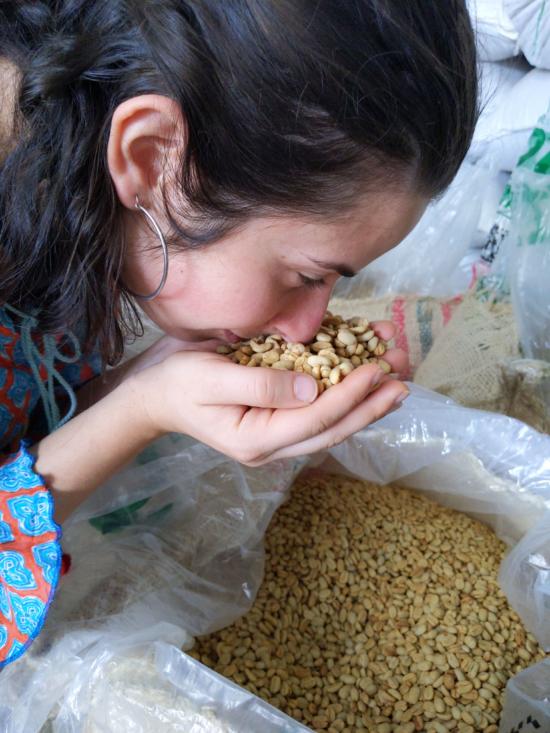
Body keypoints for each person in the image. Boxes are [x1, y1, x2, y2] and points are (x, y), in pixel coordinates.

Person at [0, 0, 478, 666]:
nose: (312, 324)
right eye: (307, 274)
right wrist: (139, 411)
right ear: (153, 157)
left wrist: (140, 382)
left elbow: (34, 411)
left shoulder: (77, 164)